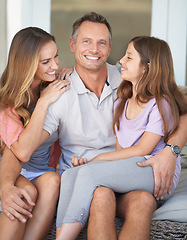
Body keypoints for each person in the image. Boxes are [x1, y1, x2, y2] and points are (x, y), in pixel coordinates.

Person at [0, 12, 186, 240]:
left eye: (102, 43)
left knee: (144, 201)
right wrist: (6, 185)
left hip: (130, 174)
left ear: (109, 49)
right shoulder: (57, 92)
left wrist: (172, 150)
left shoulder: (129, 79)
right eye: (86, 41)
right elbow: (19, 149)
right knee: (101, 196)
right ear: (72, 45)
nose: (94, 49)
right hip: (85, 178)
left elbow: (179, 108)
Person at [55, 36, 187, 240]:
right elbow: (120, 152)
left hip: (154, 170)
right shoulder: (122, 103)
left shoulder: (161, 103)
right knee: (71, 174)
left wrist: (96, 161)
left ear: (147, 68)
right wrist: (91, 164)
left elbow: (143, 150)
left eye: (129, 57)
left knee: (89, 174)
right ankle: (61, 231)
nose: (121, 61)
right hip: (134, 169)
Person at [0, 27, 70, 240]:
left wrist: (75, 72)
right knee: (25, 194)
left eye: (56, 56)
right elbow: (21, 152)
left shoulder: (53, 83)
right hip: (9, 170)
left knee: (52, 181)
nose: (55, 65)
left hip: (40, 171)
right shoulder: (6, 100)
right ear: (27, 64)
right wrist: (44, 102)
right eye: (46, 61)